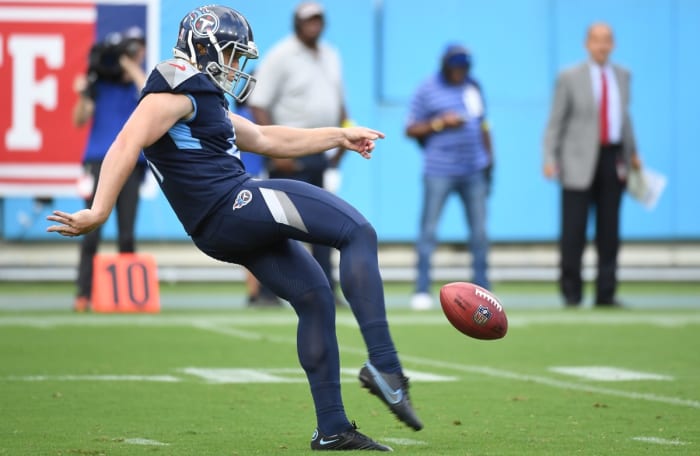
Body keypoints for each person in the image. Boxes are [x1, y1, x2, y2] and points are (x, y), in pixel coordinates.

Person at [47, 5, 421, 451]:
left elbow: (264, 138)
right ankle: (386, 365)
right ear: (203, 47)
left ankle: (333, 428)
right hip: (231, 205)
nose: (237, 66)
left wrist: (338, 135)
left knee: (316, 297)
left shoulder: (201, 96)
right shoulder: (173, 87)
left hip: (221, 222)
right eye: (231, 54)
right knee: (357, 231)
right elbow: (127, 141)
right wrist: (100, 209)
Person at [248, 1, 350, 307]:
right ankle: (270, 290)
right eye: (308, 21)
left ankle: (327, 289)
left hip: (322, 147)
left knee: (325, 224)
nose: (314, 25)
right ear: (296, 23)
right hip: (290, 150)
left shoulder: (330, 54)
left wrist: (344, 136)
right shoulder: (281, 55)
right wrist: (274, 149)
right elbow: (258, 102)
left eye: (318, 20)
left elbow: (339, 101)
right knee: (281, 225)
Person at [543, 22, 642, 308]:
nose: (602, 45)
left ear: (613, 44)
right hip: (577, 160)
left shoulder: (623, 76)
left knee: (609, 231)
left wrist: (633, 152)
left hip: (613, 159)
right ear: (587, 43)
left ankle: (606, 293)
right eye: (596, 40)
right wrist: (550, 158)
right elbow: (555, 122)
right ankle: (571, 292)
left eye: (607, 40)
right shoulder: (570, 77)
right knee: (573, 231)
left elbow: (624, 117)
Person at [405, 44, 494, 310]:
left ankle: (483, 291)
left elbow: (484, 125)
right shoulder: (427, 88)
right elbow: (410, 128)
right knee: (429, 231)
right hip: (439, 171)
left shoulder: (473, 86)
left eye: (464, 67)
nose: (459, 72)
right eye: (455, 67)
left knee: (479, 234)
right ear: (444, 66)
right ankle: (422, 289)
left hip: (474, 169)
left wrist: (490, 161)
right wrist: (440, 122)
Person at [71, 26, 148, 312]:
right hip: (97, 162)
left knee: (126, 232)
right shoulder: (100, 85)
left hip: (130, 163)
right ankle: (83, 294)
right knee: (90, 231)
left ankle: (127, 296)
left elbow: (147, 91)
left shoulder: (139, 87)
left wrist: (131, 66)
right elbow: (79, 119)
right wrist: (83, 91)